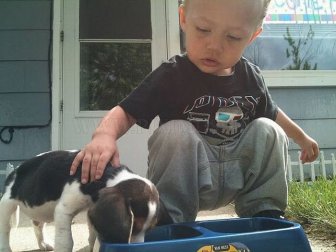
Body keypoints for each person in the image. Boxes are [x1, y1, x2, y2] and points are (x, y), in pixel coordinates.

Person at [70, 0, 319, 224]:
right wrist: (103, 135)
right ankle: (170, 217)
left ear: (252, 36)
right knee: (175, 131)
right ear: (184, 20)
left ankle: (265, 211)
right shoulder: (172, 75)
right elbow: (127, 110)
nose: (214, 45)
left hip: (237, 171)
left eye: (233, 37)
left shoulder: (251, 77)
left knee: (268, 128)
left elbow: (273, 113)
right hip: (188, 177)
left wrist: (302, 138)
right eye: (203, 30)